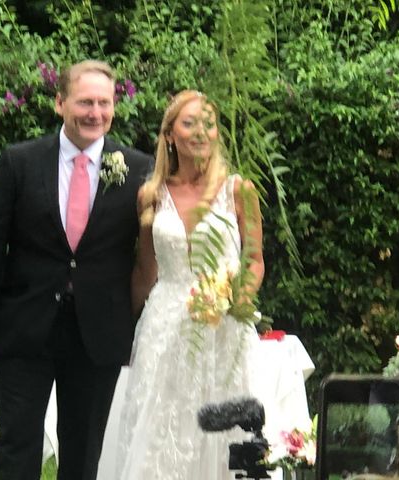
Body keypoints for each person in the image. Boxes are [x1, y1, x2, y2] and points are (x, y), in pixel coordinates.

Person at [0, 59, 152, 480]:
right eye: (85, 102)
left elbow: (151, 251)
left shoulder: (138, 169)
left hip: (98, 332)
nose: (95, 113)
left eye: (104, 103)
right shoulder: (20, 162)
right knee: (17, 444)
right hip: (26, 326)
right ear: (60, 102)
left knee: (83, 454)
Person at [114, 89, 265, 479]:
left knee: (224, 431)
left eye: (209, 123)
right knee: (163, 427)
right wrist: (119, 329)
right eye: (189, 122)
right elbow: (146, 270)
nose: (201, 131)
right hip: (165, 328)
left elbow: (255, 260)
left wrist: (239, 299)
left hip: (224, 329)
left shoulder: (238, 190)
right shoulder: (150, 195)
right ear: (169, 135)